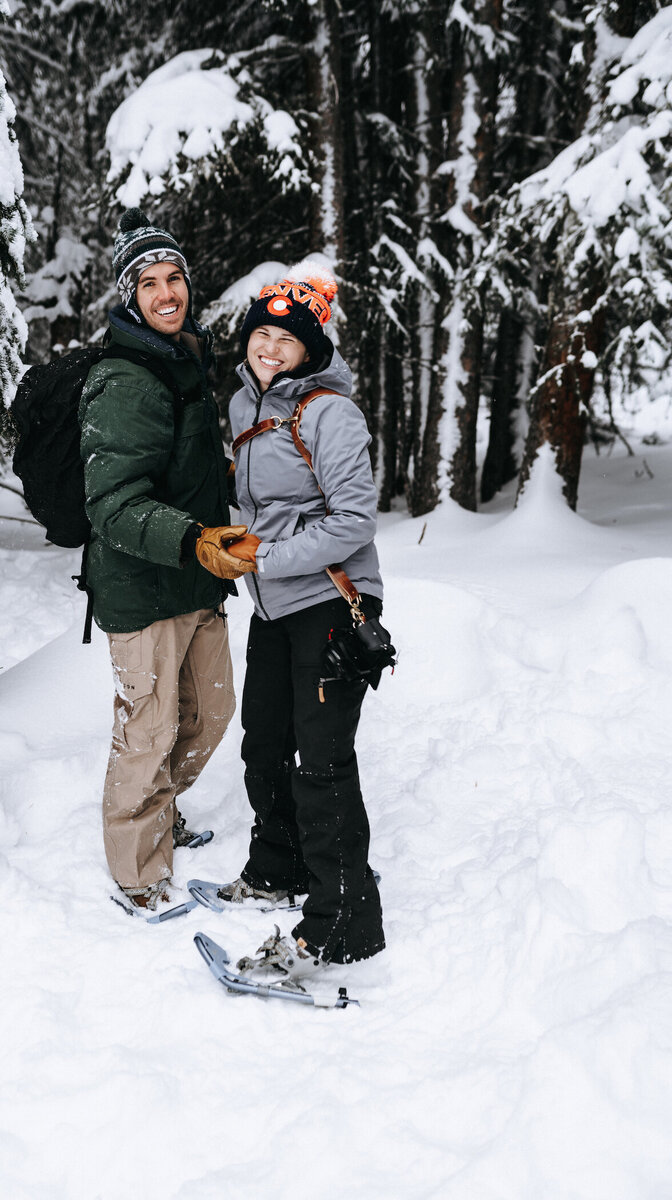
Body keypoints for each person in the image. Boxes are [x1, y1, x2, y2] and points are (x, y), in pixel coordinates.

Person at [199, 261, 386, 977]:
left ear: (311, 351)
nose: (271, 347)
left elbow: (352, 520)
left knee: (321, 760)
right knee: (264, 741)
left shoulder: (330, 413)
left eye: (289, 338)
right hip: (275, 602)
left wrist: (264, 556)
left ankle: (343, 923)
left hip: (331, 604)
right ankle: (278, 868)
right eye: (262, 333)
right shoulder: (246, 406)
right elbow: (265, 505)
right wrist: (230, 535)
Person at [79, 208, 253, 910]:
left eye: (173, 276)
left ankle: (162, 813)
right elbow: (113, 505)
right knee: (147, 733)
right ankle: (138, 875)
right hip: (142, 588)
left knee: (208, 717)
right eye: (148, 283)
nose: (166, 292)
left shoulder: (182, 360)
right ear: (132, 296)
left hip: (194, 581)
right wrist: (193, 538)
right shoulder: (125, 379)